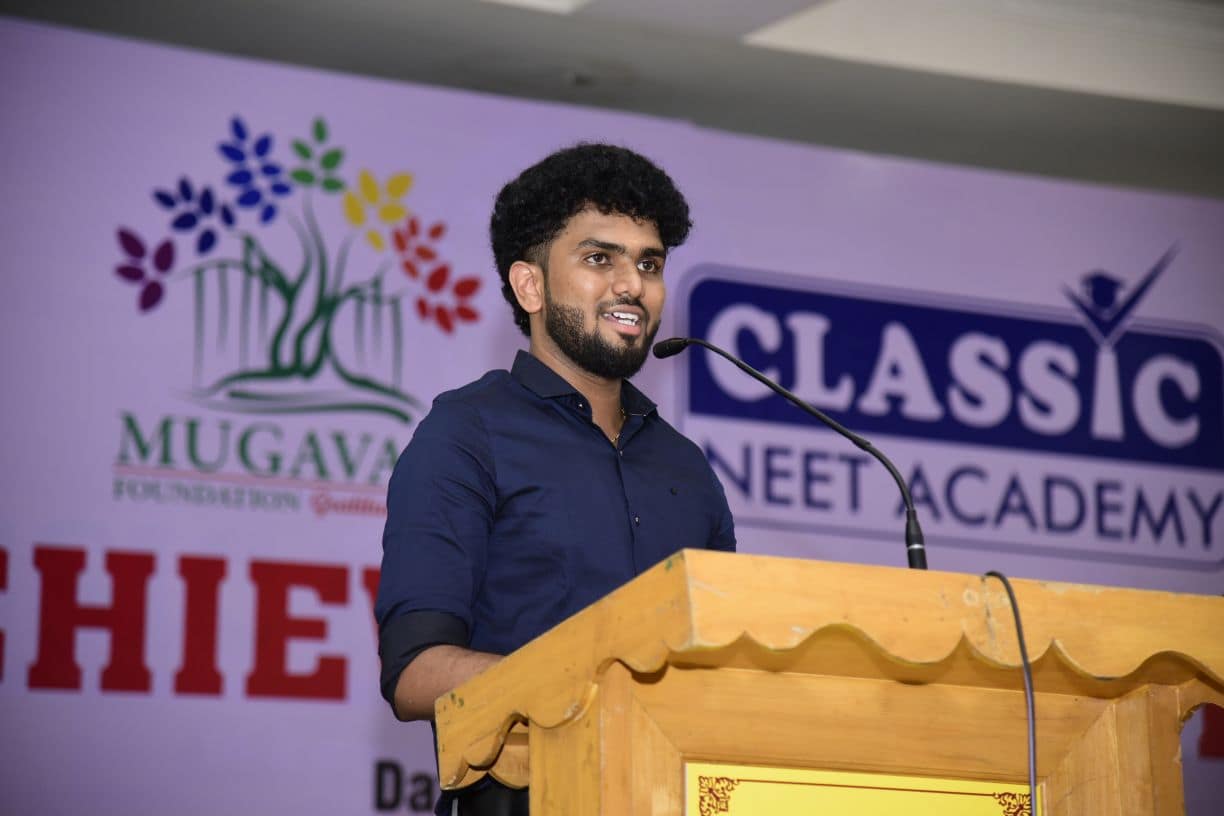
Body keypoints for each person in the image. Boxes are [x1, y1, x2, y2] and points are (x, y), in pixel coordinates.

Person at [375, 143, 736, 815]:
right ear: (530, 286)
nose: (632, 285)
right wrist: (591, 685)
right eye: (600, 259)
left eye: (649, 264)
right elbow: (415, 672)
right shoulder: (466, 434)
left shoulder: (686, 468)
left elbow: (722, 669)